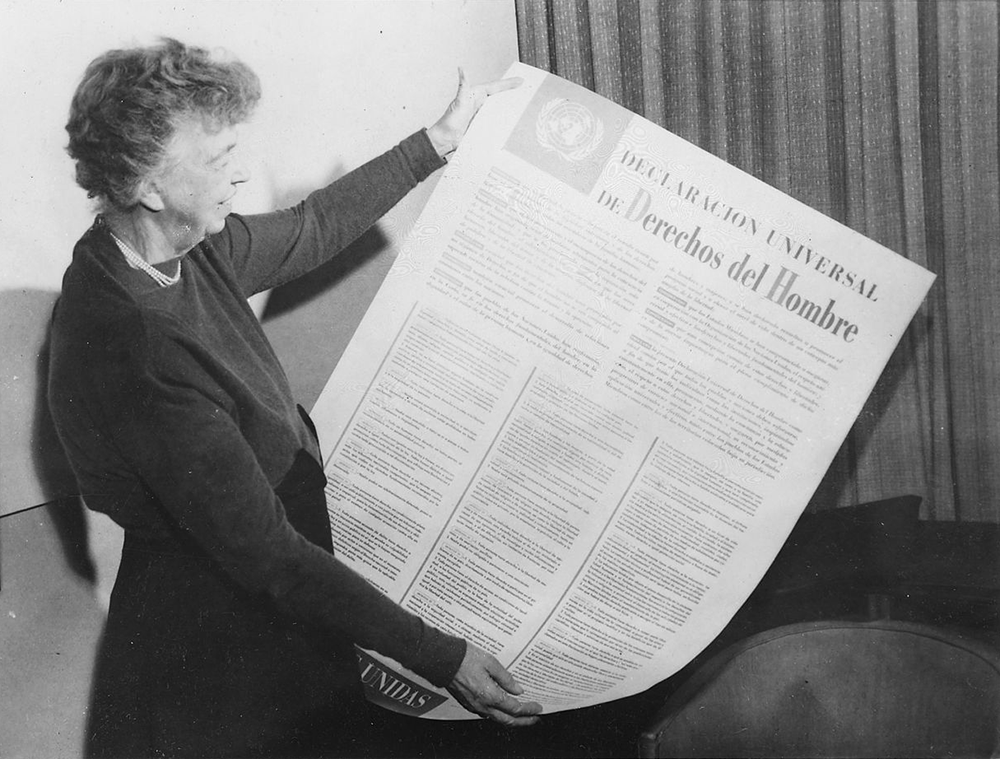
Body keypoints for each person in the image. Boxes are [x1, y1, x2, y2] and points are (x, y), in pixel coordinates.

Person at [48, 37, 540, 758]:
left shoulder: (178, 246)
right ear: (148, 185)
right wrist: (443, 656)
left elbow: (310, 230)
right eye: (218, 161)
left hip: (268, 568)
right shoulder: (136, 343)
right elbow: (270, 556)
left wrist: (436, 141)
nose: (242, 174)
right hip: (225, 621)